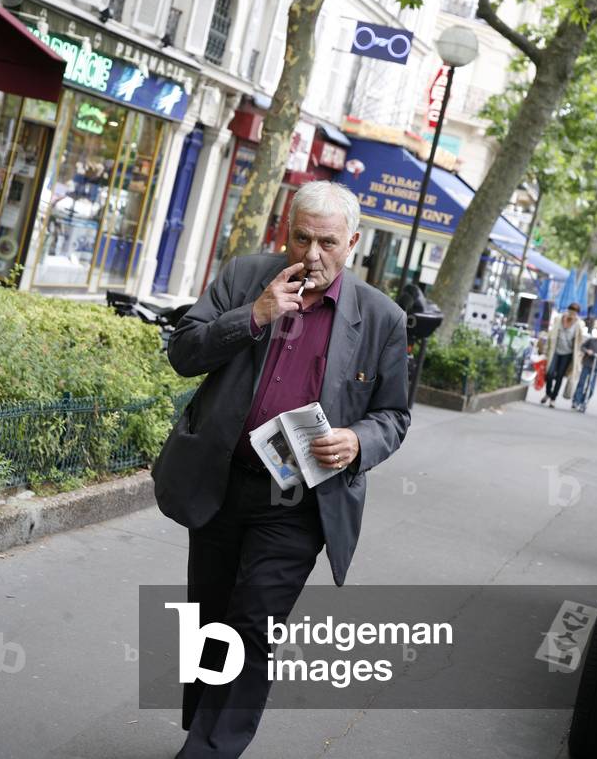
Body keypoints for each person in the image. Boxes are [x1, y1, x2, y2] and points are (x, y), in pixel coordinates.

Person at [153, 180, 410, 759]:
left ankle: (208, 749)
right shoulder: (245, 276)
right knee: (211, 618)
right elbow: (183, 352)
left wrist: (357, 441)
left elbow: (393, 414)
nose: (312, 255)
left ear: (353, 243)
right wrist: (255, 314)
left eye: (328, 242)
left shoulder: (381, 319)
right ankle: (205, 728)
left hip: (297, 505)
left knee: (254, 626)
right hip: (221, 482)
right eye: (301, 238)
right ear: (284, 231)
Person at [541, 303, 584, 408]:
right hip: (555, 350)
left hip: (568, 353)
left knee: (560, 376)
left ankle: (553, 399)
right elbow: (551, 334)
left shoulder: (579, 324)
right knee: (549, 373)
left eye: (574, 312)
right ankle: (548, 392)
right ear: (568, 310)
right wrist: (545, 349)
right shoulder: (559, 319)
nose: (572, 314)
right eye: (571, 311)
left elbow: (579, 340)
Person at [572, 324, 597, 412]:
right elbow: (582, 347)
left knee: (591, 386)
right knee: (581, 383)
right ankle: (576, 401)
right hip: (587, 364)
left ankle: (584, 401)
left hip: (595, 367)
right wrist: (587, 351)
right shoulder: (591, 341)